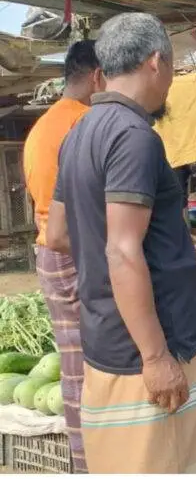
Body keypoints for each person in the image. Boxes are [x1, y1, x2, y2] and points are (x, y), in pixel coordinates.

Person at [45, 13, 196, 473]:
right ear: (155, 62)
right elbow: (122, 249)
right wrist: (156, 355)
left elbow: (60, 234)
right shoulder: (134, 136)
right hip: (151, 351)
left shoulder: (78, 132)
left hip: (106, 342)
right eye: (174, 69)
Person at [22, 39, 104, 474]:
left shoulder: (43, 126)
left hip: (49, 251)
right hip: (78, 250)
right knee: (100, 363)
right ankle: (103, 459)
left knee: (74, 366)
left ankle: (84, 461)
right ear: (97, 76)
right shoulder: (88, 123)